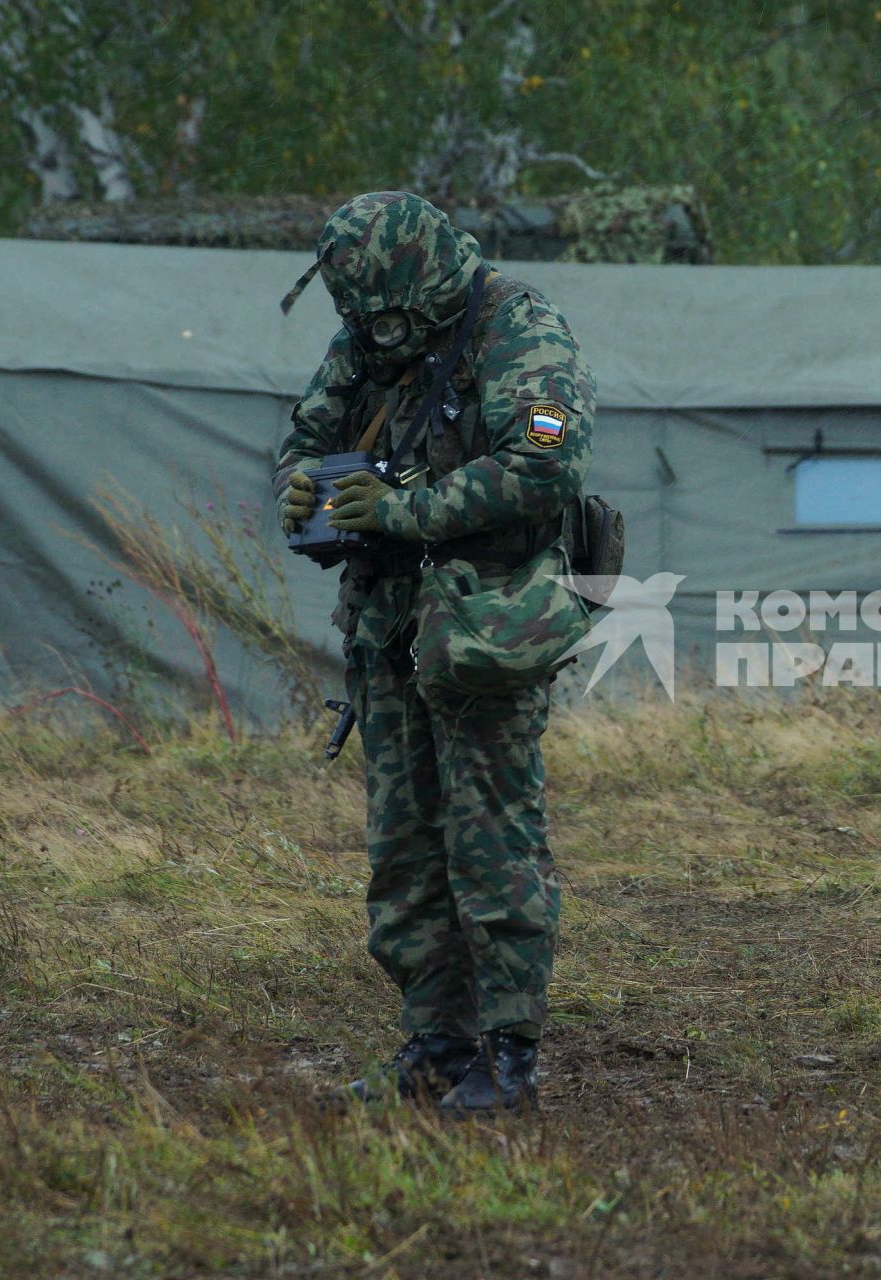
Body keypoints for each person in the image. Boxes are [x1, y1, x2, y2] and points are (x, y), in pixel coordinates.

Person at [275, 192, 595, 1112]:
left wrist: (408, 511)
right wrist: (302, 487)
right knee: (405, 848)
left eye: (388, 317)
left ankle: (509, 1058)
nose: (378, 335)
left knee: (491, 839)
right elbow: (308, 435)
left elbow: (545, 466)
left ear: (421, 280)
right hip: (384, 629)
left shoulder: (518, 326)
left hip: (485, 627)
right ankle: (435, 1046)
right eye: (364, 320)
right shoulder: (370, 336)